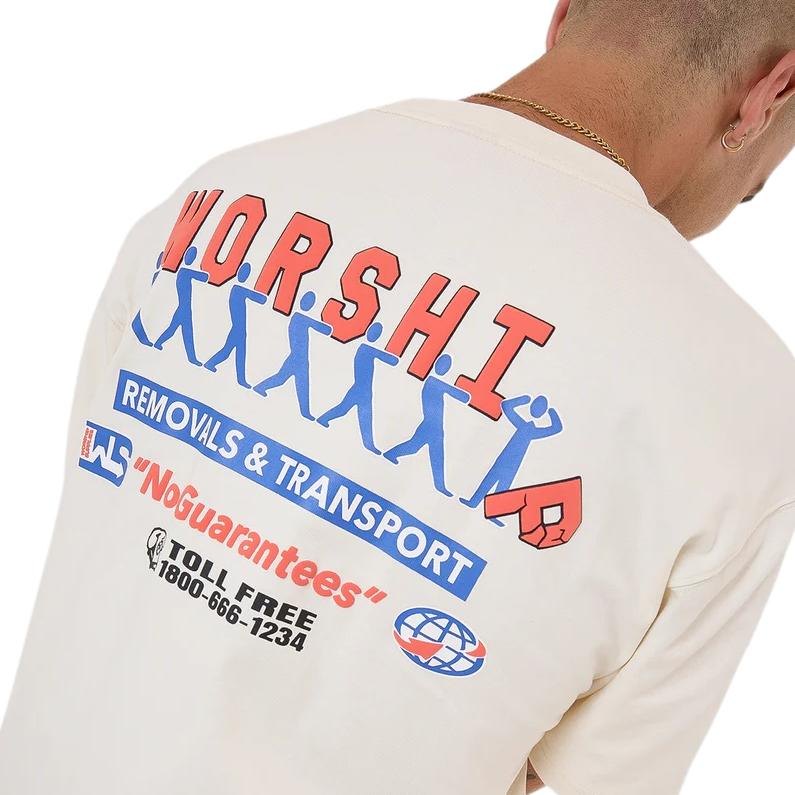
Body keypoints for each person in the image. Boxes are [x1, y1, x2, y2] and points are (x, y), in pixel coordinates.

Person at [2, 2, 795, 794]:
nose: (743, 194)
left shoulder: (220, 190)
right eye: (758, 185)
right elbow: (587, 781)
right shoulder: (740, 401)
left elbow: (104, 514)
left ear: (561, 16)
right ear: (771, 91)